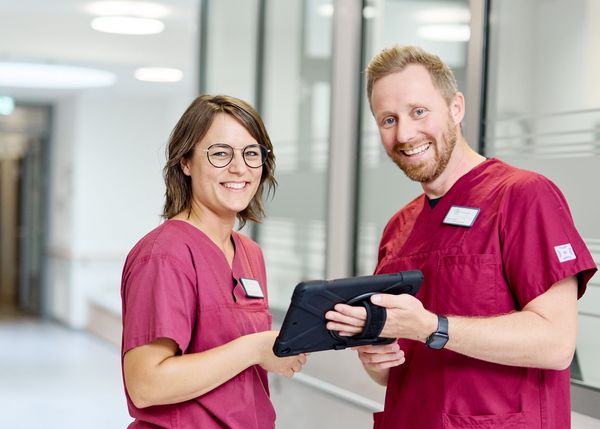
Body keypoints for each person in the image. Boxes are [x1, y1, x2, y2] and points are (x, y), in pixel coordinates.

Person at [325, 45, 597, 428]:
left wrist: (431, 327)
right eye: (388, 119)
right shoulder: (398, 228)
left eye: (419, 112)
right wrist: (377, 358)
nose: (404, 133)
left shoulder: (523, 196)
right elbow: (398, 369)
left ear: (456, 108)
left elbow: (555, 343)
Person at [120, 94, 307, 428]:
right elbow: (146, 385)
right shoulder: (164, 255)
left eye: (252, 154)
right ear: (186, 162)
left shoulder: (250, 254)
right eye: (221, 153)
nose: (239, 168)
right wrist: (255, 348)